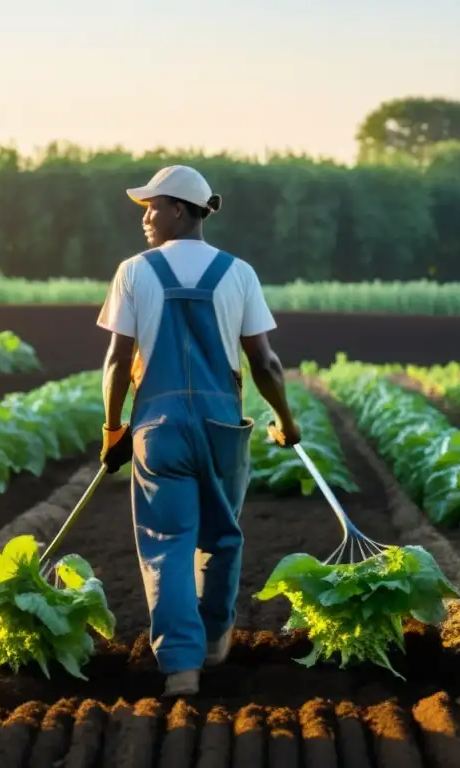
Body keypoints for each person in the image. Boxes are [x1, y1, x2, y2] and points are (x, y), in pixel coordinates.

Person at [95, 164, 302, 697]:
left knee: (166, 542)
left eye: (153, 206)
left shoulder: (134, 272)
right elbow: (266, 362)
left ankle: (181, 668)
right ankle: (214, 641)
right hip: (220, 427)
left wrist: (114, 428)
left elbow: (118, 361)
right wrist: (286, 419)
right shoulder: (239, 273)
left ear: (181, 210)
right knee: (222, 536)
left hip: (159, 427)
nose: (145, 217)